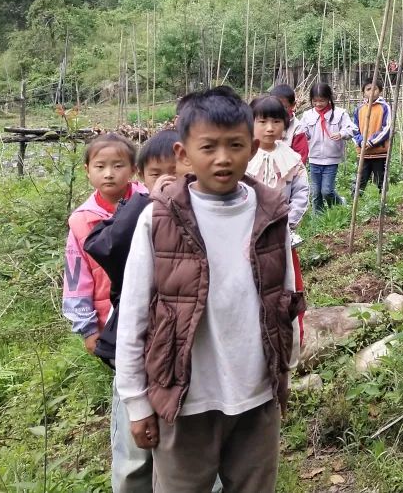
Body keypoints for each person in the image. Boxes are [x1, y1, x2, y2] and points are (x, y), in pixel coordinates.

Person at [116, 86, 302, 493]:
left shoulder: (271, 215)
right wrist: (135, 401)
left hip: (256, 395)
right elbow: (134, 315)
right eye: (209, 147)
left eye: (235, 145)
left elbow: (284, 297)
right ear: (183, 155)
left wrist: (284, 370)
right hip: (186, 400)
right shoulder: (159, 221)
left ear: (252, 148)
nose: (223, 158)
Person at [82, 133, 173, 493]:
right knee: (135, 451)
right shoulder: (136, 211)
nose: (168, 181)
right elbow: (102, 247)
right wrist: (145, 204)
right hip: (137, 346)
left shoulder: (207, 214)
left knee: (186, 444)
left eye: (176, 172)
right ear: (141, 177)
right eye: (156, 174)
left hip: (184, 352)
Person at [63, 133, 143, 358]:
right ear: (87, 170)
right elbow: (75, 277)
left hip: (152, 309)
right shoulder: (81, 221)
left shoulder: (151, 205)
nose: (109, 174)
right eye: (100, 166)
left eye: (118, 166)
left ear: (133, 169)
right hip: (110, 317)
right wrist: (87, 328)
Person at [247, 95, 310, 227]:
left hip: (282, 225)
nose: (270, 128)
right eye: (262, 122)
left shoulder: (292, 159)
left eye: (276, 121)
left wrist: (289, 220)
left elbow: (300, 191)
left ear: (285, 123)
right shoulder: (242, 157)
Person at [300, 83, 357, 213]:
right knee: (315, 191)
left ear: (329, 98)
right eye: (315, 101)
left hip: (332, 159)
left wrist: (341, 134)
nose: (318, 104)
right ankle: (318, 216)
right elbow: (304, 132)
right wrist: (303, 135)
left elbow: (352, 128)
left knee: (326, 190)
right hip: (314, 158)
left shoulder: (339, 113)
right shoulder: (307, 115)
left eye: (322, 100)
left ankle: (339, 202)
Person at [351, 80, 392, 193]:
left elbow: (387, 128)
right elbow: (354, 129)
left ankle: (383, 203)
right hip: (363, 152)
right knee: (360, 180)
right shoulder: (359, 108)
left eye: (375, 89)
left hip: (379, 151)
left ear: (380, 91)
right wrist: (360, 142)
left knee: (381, 180)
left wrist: (371, 142)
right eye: (368, 89)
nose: (372, 92)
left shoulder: (384, 107)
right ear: (363, 92)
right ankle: (354, 201)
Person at [270, 84, 308, 164]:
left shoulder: (297, 127)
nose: (279, 110)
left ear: (293, 105)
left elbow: (301, 154)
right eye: (275, 106)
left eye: (284, 107)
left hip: (288, 169)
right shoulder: (265, 122)